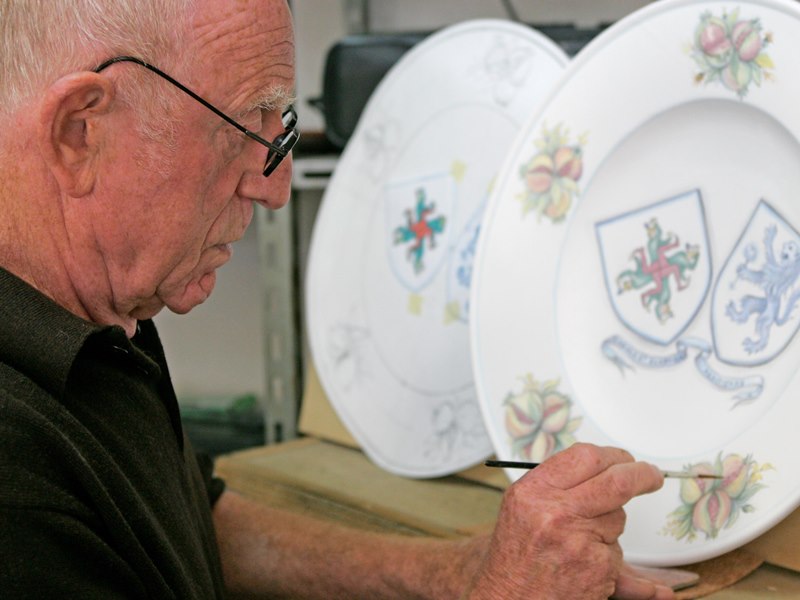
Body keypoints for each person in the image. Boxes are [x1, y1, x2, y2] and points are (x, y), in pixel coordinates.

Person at [0, 1, 675, 598]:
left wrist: (458, 574)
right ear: (79, 132)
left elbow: (189, 526)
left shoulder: (101, 309)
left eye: (282, 126)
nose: (275, 189)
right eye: (245, 127)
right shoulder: (15, 478)